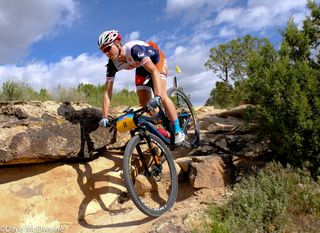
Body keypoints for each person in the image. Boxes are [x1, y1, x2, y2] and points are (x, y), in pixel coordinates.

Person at [97, 29, 185, 144]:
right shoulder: (112, 65)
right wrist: (104, 116)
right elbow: (107, 92)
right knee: (143, 102)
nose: (106, 53)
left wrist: (157, 96)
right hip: (141, 67)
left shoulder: (134, 50)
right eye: (103, 51)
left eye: (108, 48)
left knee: (162, 95)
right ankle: (162, 123)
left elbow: (153, 70)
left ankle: (178, 130)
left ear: (118, 43)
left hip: (156, 60)